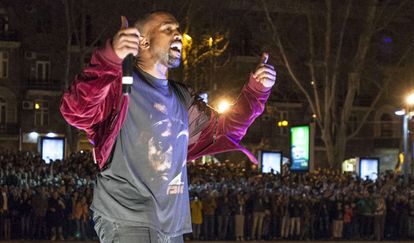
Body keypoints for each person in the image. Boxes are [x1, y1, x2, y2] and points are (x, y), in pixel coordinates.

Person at [60, 11, 276, 243]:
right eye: (168, 29)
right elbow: (75, 109)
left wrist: (256, 92)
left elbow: (224, 130)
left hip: (171, 224)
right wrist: (110, 58)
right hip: (127, 218)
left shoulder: (181, 97)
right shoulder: (119, 86)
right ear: (143, 41)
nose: (178, 35)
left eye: (178, 30)